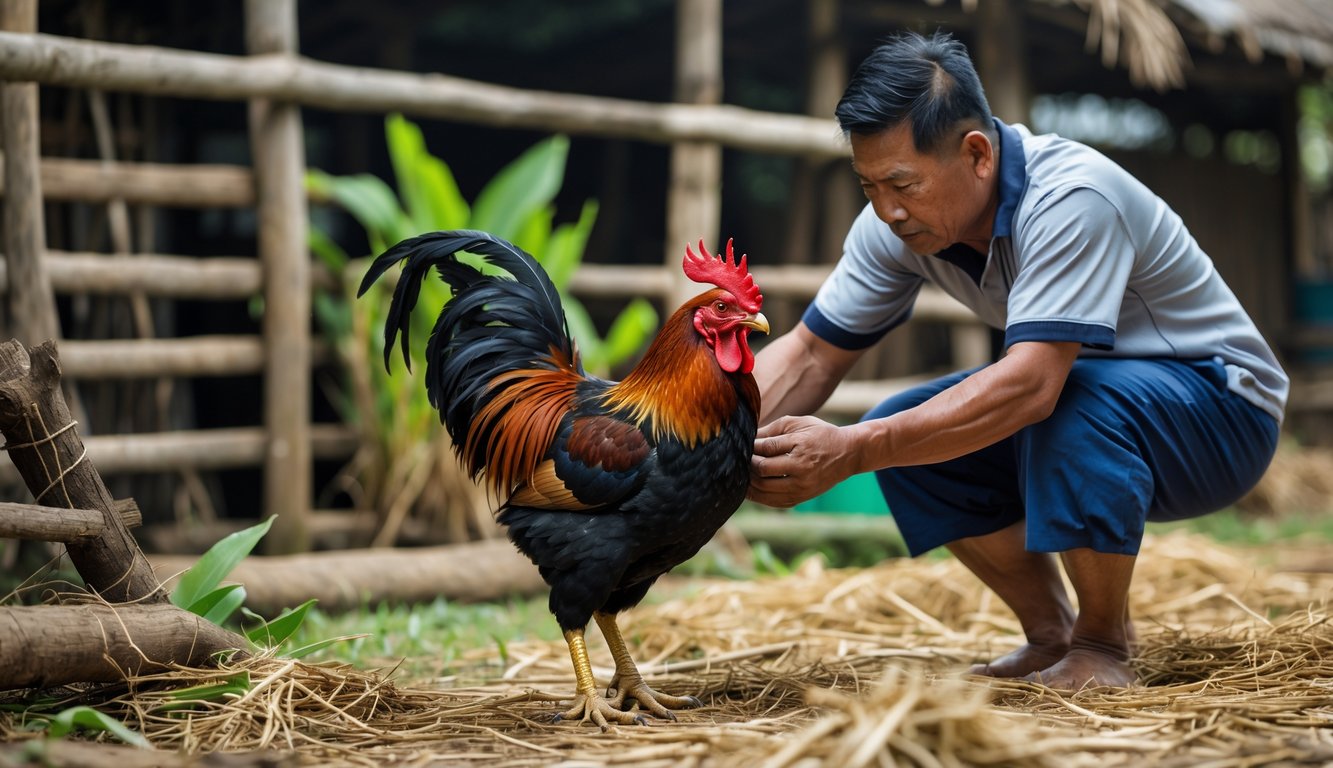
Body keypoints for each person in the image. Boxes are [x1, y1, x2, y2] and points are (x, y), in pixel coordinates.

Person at [747, 30, 1287, 691]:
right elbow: (807, 353)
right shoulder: (894, 227)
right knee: (907, 423)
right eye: (867, 185)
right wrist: (694, 450)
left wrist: (857, 447)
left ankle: (1101, 645)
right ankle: (1051, 634)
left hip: (1222, 413)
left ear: (976, 153)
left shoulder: (1071, 196)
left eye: (901, 184)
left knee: (1058, 399)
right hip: (1094, 406)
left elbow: (1032, 385)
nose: (886, 209)